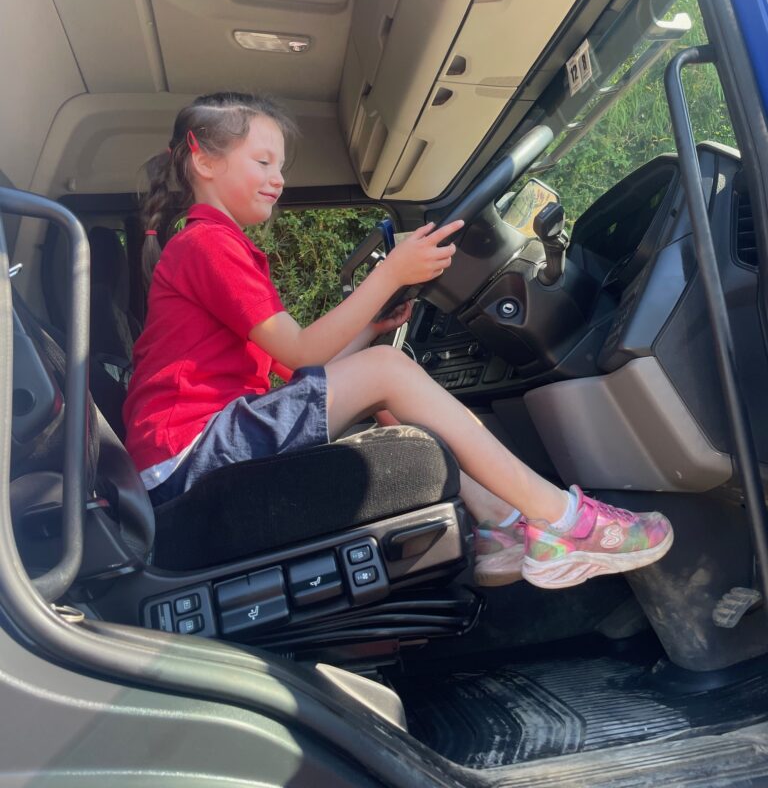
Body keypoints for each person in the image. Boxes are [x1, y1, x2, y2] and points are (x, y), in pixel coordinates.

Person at [123, 92, 673, 590]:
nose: (278, 178)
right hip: (186, 459)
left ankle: (503, 525)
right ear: (205, 162)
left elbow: (293, 373)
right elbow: (300, 351)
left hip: (198, 447)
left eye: (281, 166)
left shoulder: (212, 245)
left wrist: (370, 327)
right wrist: (388, 275)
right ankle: (564, 523)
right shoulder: (207, 246)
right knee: (387, 373)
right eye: (262, 162)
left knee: (381, 375)